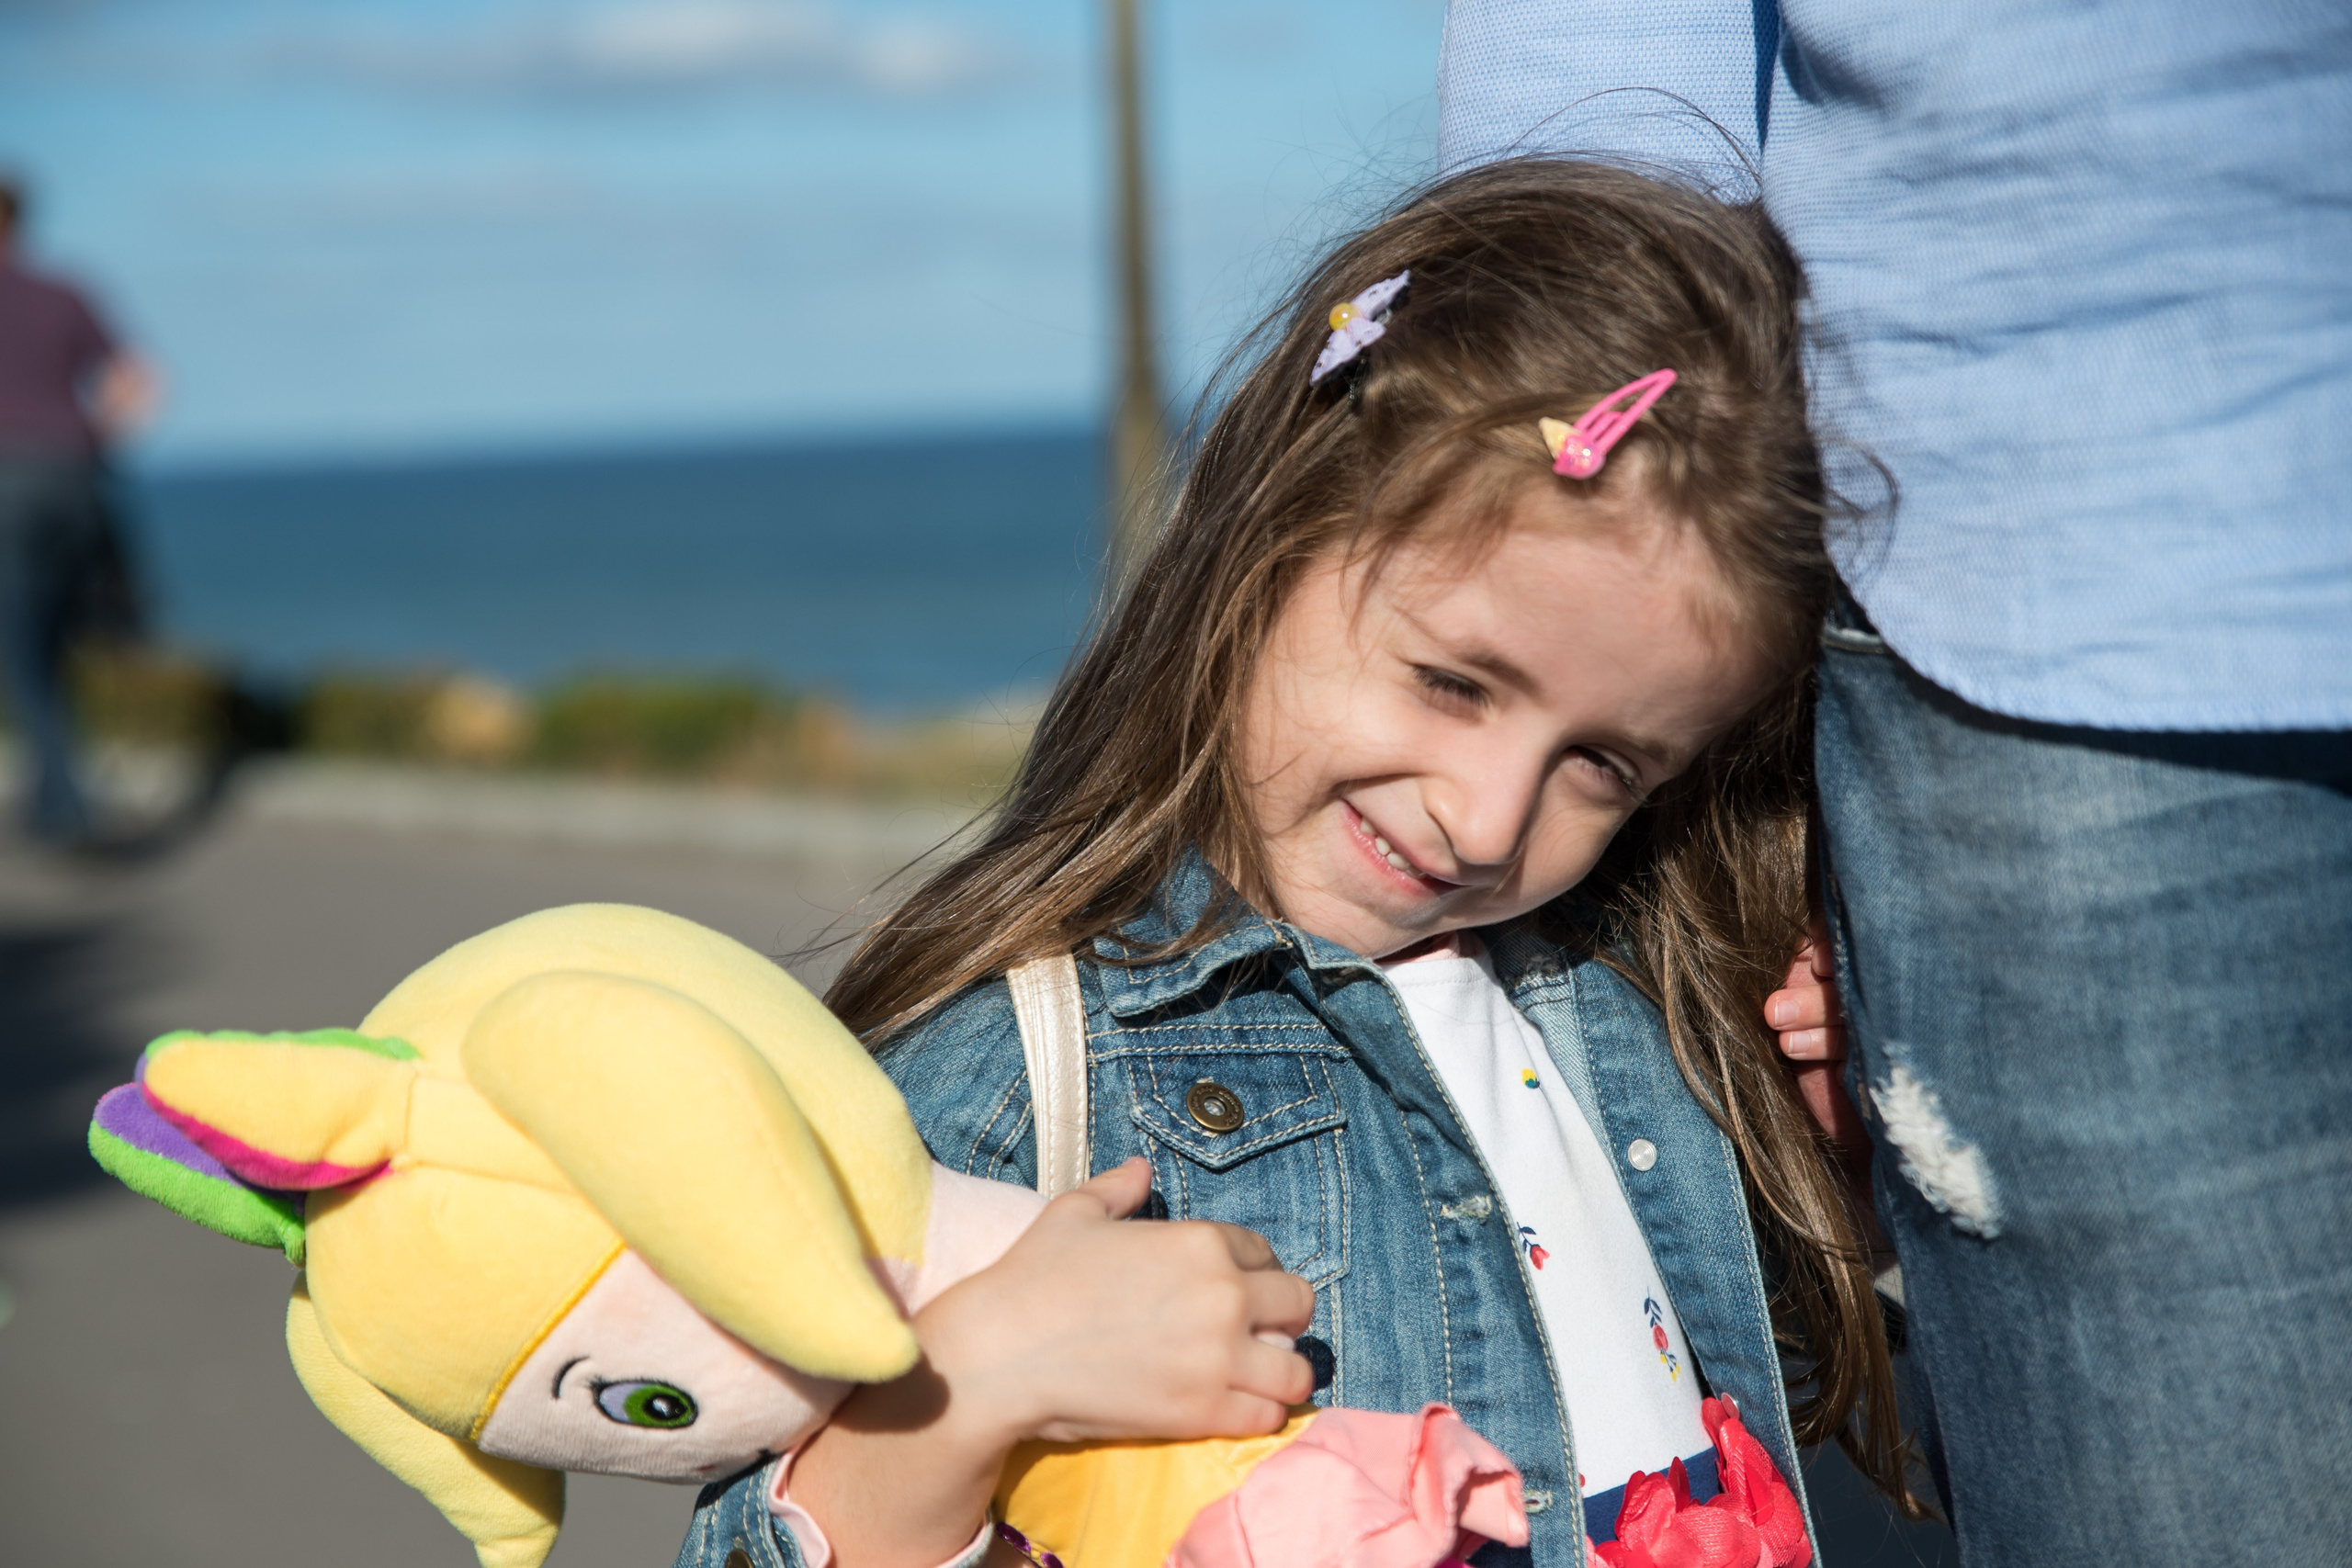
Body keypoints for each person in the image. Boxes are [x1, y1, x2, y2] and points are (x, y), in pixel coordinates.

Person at [674, 157, 1913, 1568]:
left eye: (1605, 764)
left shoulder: (1624, 1000)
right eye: (1454, 681)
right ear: (1268, 532)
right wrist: (979, 1381)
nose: (1490, 819)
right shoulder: (1021, 1074)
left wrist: (1832, 1178)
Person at [1437, 6, 2352, 1565]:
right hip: (2074, 591)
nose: (1478, 820)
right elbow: (1598, 117)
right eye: (1453, 685)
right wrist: (1751, 832)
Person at [0, 173, 157, 845]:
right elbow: (137, 378)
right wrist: (92, 439)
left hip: (8, 484)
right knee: (50, 638)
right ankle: (49, 797)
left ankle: (68, 804)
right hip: (74, 481)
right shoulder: (64, 293)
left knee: (20, 647)